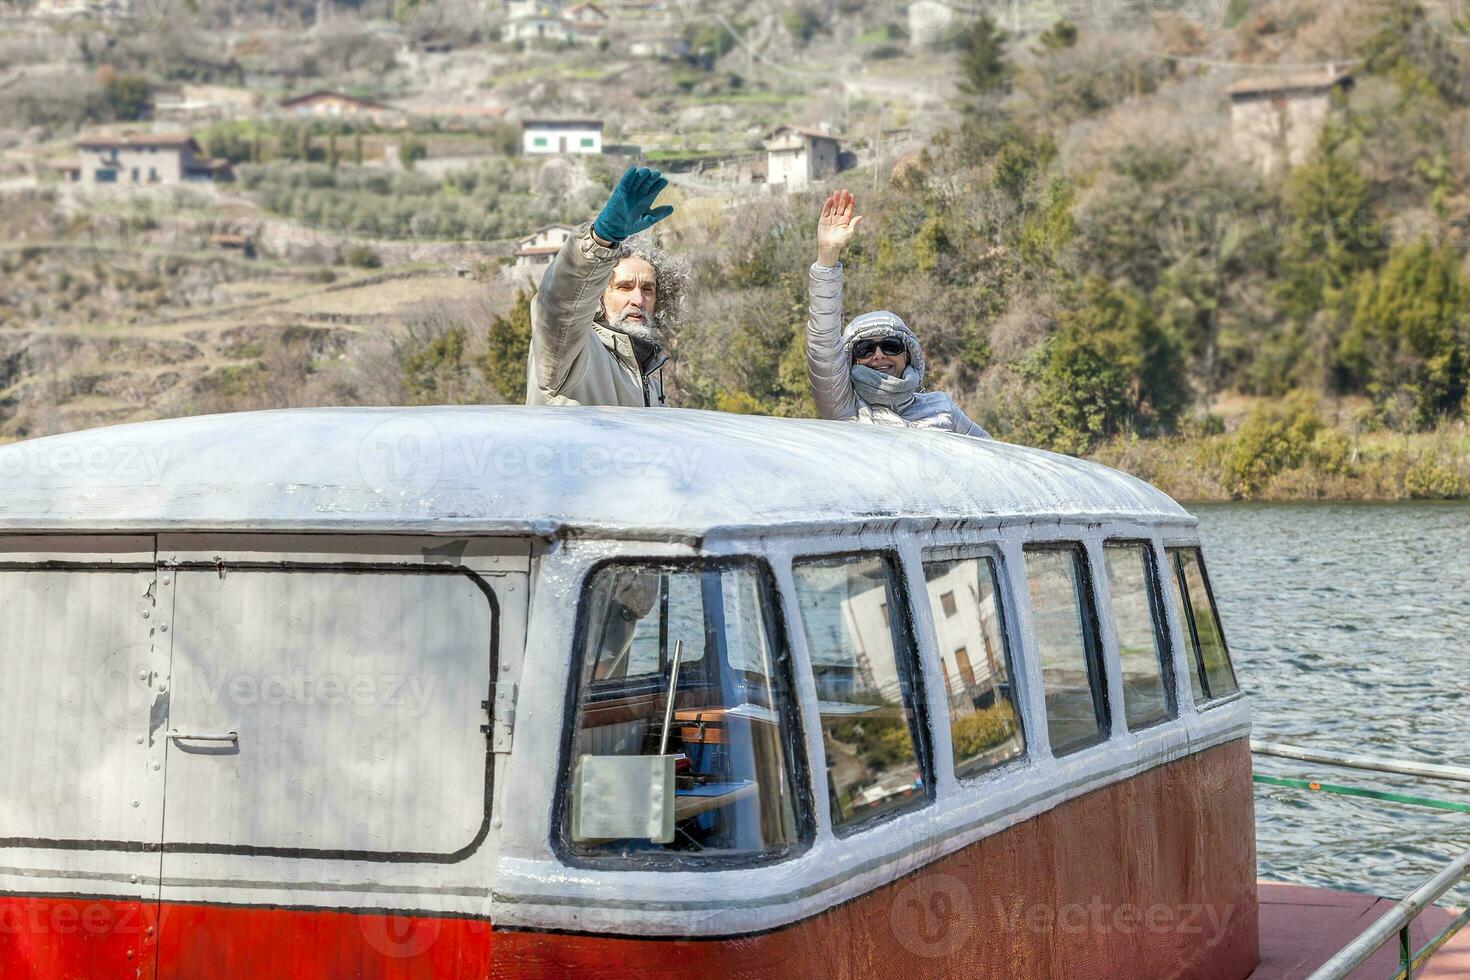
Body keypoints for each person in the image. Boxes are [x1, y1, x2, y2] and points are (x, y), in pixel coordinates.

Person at [806, 189, 989, 437]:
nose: (879, 355)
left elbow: (992, 458)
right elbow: (823, 343)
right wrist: (828, 255)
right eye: (865, 349)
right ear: (852, 359)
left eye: (891, 346)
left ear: (908, 353)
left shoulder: (942, 409)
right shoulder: (844, 407)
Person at [526, 166, 689, 408]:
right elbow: (558, 306)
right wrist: (601, 239)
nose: (638, 300)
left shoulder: (653, 387)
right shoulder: (574, 353)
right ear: (598, 297)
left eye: (647, 289)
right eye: (624, 287)